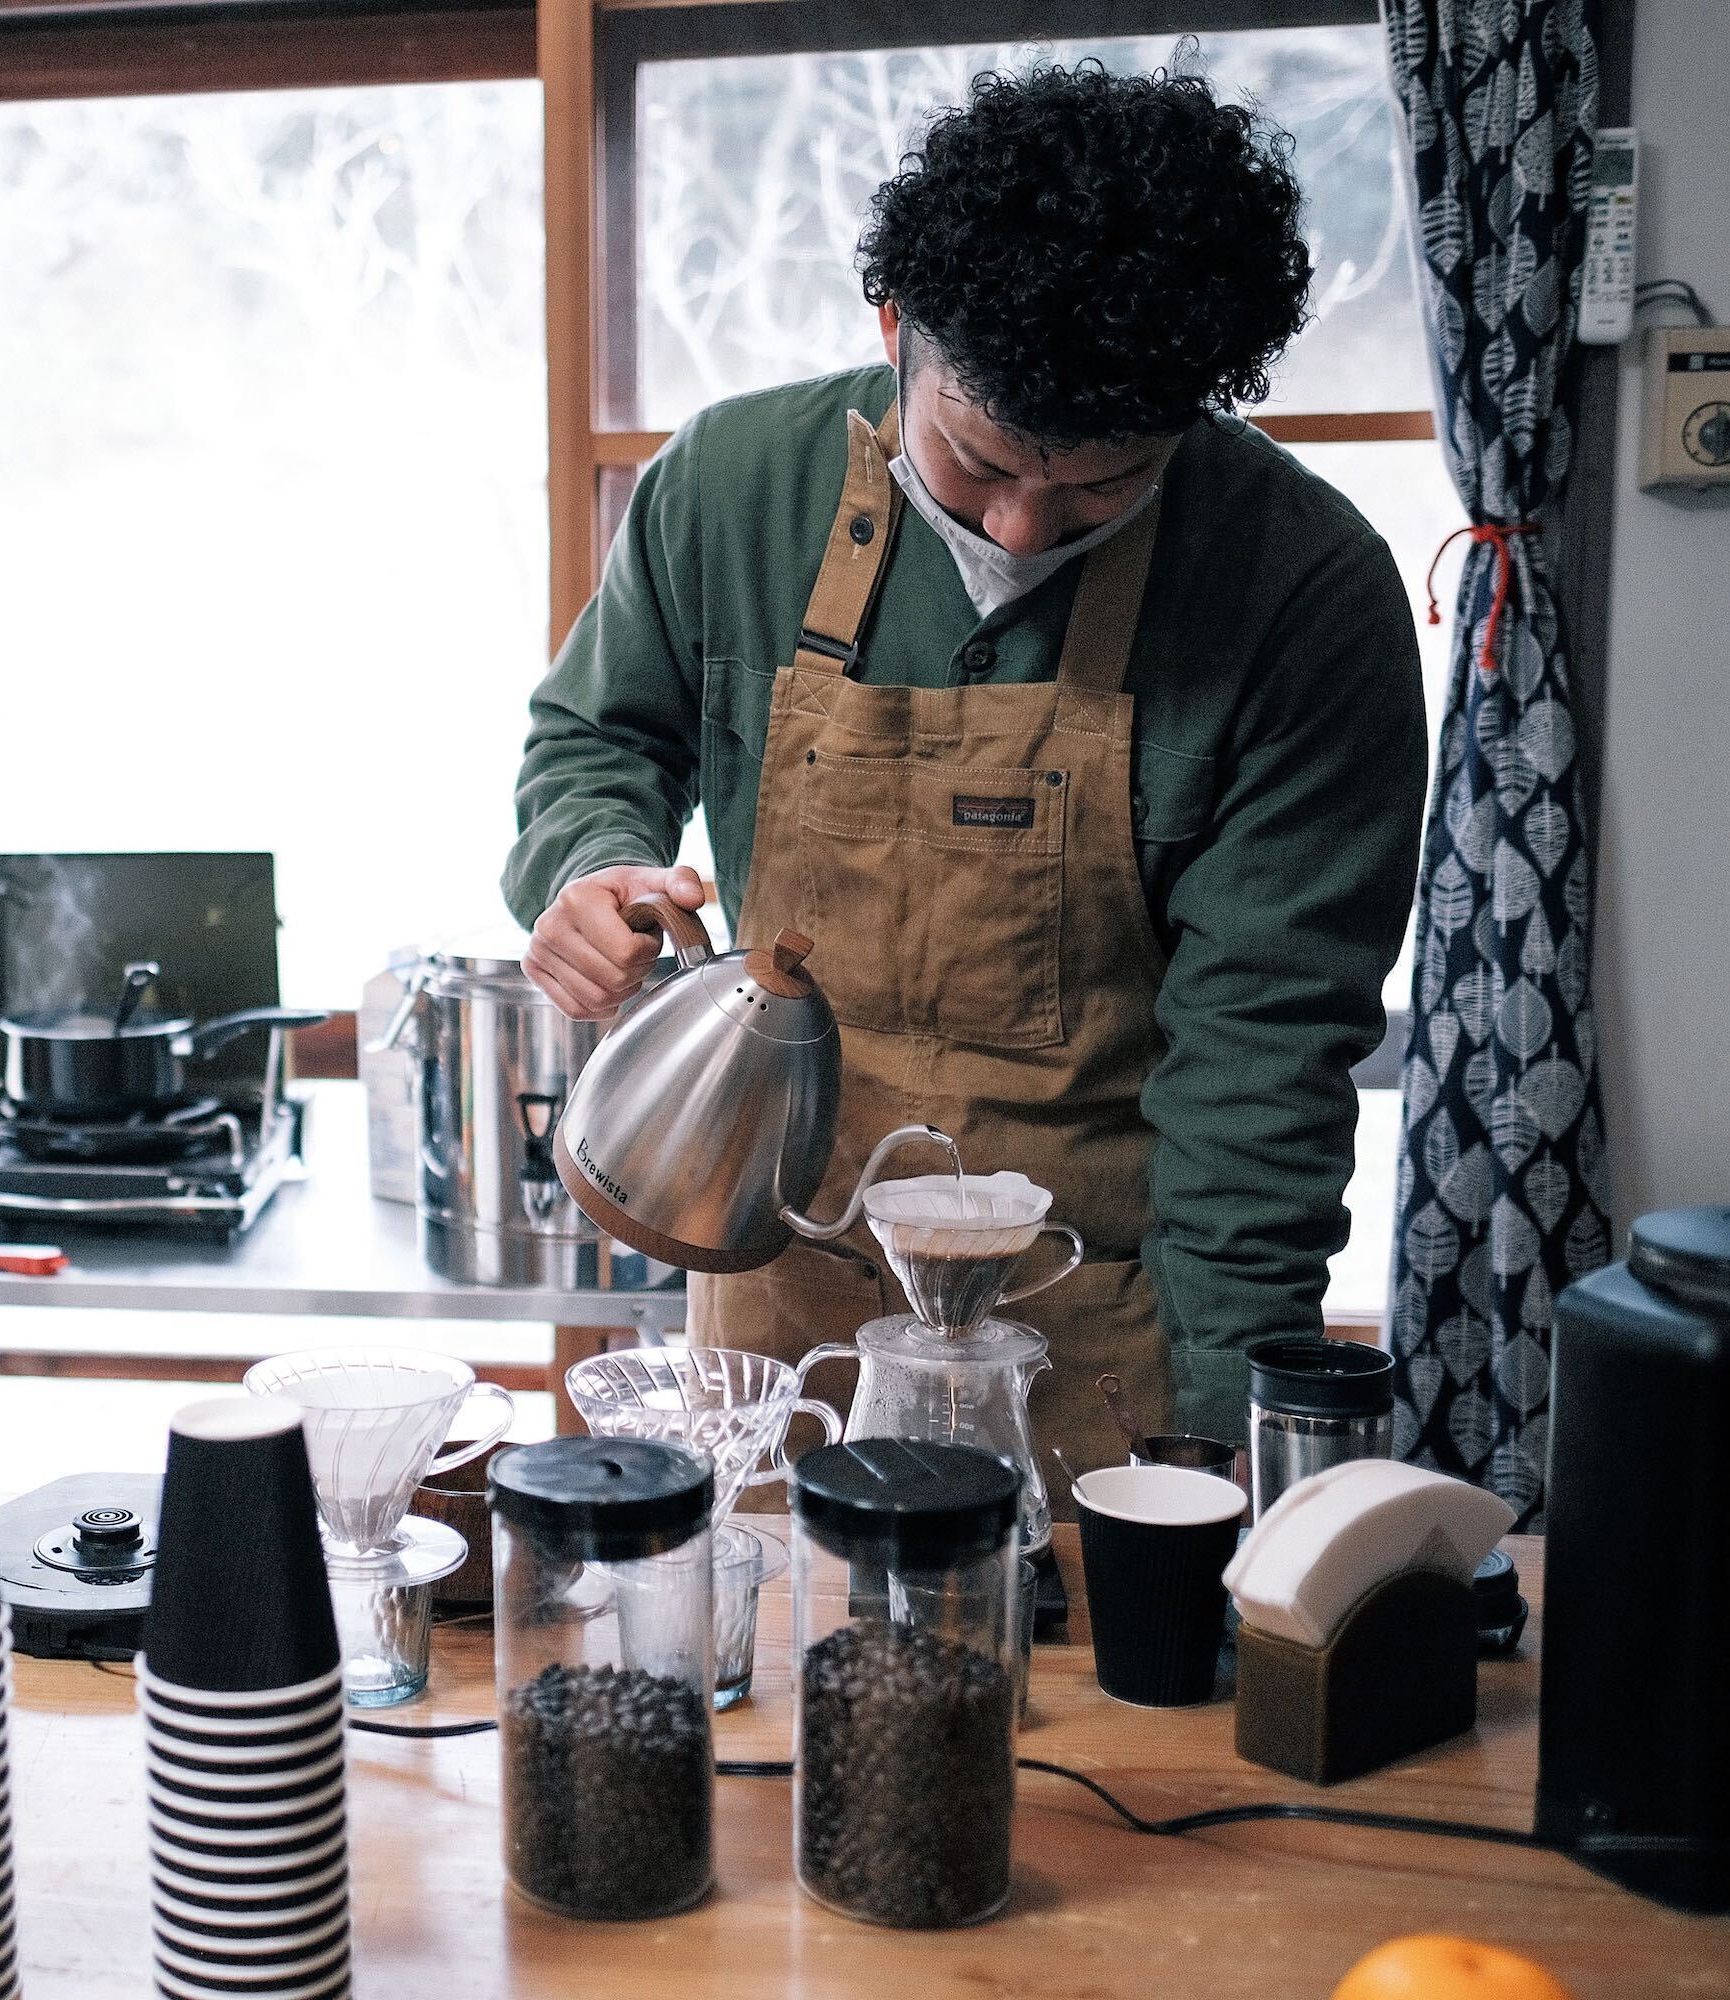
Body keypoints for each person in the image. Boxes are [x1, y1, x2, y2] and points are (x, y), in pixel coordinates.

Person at [508, 65, 1425, 1474]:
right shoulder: (735, 487)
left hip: (1102, 1334)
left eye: (1102, 484)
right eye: (975, 459)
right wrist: (593, 866)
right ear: (895, 329)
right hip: (785, 1315)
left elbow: (1263, 1065)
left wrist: (1226, 1437)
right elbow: (597, 736)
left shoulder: (1300, 590)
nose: (1021, 527)